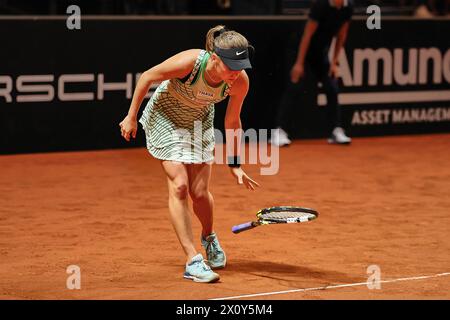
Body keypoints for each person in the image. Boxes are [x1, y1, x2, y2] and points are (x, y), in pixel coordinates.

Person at [119, 25, 260, 283]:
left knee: (199, 192)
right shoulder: (190, 63)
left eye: (240, 67)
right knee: (180, 186)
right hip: (166, 117)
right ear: (214, 59)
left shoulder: (239, 81)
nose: (236, 73)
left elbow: (232, 121)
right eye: (230, 66)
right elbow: (148, 76)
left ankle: (209, 237)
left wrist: (235, 164)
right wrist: (131, 116)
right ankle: (193, 260)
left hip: (198, 122)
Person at [271, 0, 353, 147]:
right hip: (298, 50)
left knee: (332, 87)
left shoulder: (348, 7)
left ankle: (336, 130)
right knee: (294, 86)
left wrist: (334, 62)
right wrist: (299, 63)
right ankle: (279, 131)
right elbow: (307, 35)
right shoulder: (321, 6)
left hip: (319, 54)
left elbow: (342, 34)